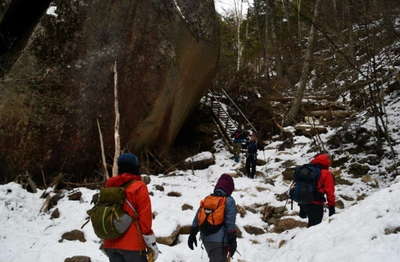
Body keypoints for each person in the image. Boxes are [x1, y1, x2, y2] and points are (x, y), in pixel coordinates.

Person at [102, 153, 160, 262]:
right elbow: (145, 220)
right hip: (133, 246)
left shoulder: (109, 185)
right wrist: (151, 243)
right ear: (135, 167)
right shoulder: (139, 187)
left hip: (110, 243)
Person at [188, 174, 237, 262]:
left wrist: (192, 234)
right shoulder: (229, 201)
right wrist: (233, 241)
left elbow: (197, 218)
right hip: (220, 242)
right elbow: (230, 224)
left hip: (206, 239)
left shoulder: (208, 198)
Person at [299, 152, 336, 227]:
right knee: (314, 228)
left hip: (303, 202)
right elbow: (330, 192)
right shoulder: (326, 173)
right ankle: (305, 239)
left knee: (311, 225)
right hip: (316, 203)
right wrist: (331, 207)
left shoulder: (308, 170)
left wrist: (301, 205)